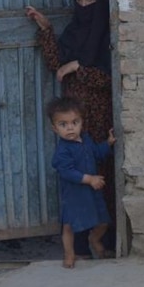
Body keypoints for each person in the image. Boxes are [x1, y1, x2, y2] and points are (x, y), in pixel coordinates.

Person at [25, 0, 116, 257]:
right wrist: (46, 29)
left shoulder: (109, 34)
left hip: (98, 118)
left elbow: (109, 79)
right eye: (79, 0)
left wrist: (79, 67)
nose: (84, 5)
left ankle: (106, 239)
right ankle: (79, 245)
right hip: (73, 120)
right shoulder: (75, 31)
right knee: (77, 178)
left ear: (100, 0)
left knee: (101, 177)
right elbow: (55, 62)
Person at [47, 96, 115, 269]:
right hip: (75, 194)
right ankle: (70, 254)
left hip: (92, 192)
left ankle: (94, 238)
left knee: (103, 221)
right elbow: (67, 172)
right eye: (63, 124)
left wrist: (108, 143)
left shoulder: (86, 140)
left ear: (81, 123)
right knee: (69, 226)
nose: (70, 127)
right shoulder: (63, 151)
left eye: (74, 122)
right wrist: (89, 179)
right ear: (54, 128)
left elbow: (97, 154)